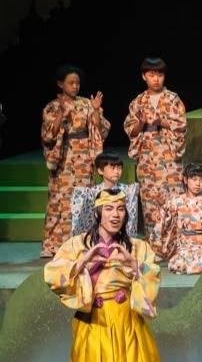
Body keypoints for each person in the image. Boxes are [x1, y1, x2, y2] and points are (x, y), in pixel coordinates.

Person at [42, 189, 170, 362]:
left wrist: (132, 265)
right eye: (109, 209)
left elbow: (153, 277)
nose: (115, 215)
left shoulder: (137, 246)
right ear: (97, 212)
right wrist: (83, 262)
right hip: (93, 319)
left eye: (120, 209)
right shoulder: (77, 244)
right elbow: (52, 275)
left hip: (125, 320)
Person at [41, 65, 110, 256]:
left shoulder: (86, 103)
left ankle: (83, 241)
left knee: (84, 198)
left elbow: (100, 131)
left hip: (84, 158)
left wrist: (95, 110)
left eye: (77, 83)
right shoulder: (52, 106)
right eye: (71, 83)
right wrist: (62, 113)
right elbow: (49, 135)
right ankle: (55, 244)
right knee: (60, 200)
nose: (75, 86)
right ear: (60, 84)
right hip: (63, 157)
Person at [123, 57, 186, 236]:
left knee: (172, 198)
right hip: (147, 156)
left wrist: (161, 122)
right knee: (150, 200)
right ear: (144, 76)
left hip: (168, 156)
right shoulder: (138, 101)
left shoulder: (172, 98)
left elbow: (181, 124)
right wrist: (141, 123)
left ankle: (174, 241)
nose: (156, 79)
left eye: (160, 75)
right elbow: (131, 130)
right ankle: (153, 242)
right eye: (152, 75)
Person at [156, 163, 202, 274]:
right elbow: (165, 222)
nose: (198, 184)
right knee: (176, 264)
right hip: (183, 246)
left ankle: (196, 265)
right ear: (185, 180)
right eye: (194, 179)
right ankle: (190, 266)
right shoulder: (177, 200)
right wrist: (163, 208)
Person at [69, 151, 140, 239]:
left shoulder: (128, 190)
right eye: (112, 168)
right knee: (80, 194)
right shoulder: (92, 192)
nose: (117, 171)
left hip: (120, 233)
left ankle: (126, 241)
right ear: (100, 170)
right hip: (98, 234)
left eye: (119, 168)